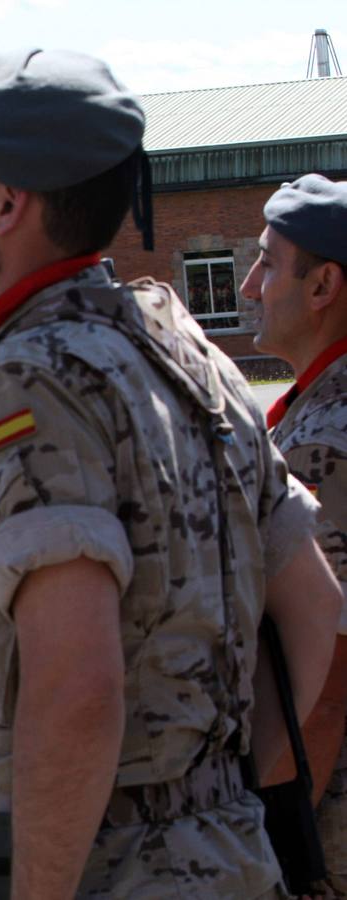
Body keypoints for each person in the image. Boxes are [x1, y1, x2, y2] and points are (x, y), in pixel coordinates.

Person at [0, 49, 341, 897]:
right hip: (231, 853)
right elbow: (317, 603)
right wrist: (211, 802)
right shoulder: (188, 351)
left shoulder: (34, 373)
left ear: (6, 202)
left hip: (108, 867)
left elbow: (76, 688)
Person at [241, 173, 347, 895]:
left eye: (268, 262)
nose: (249, 286)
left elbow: (327, 684)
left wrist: (273, 854)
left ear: (323, 286)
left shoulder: (326, 447)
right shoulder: (313, 419)